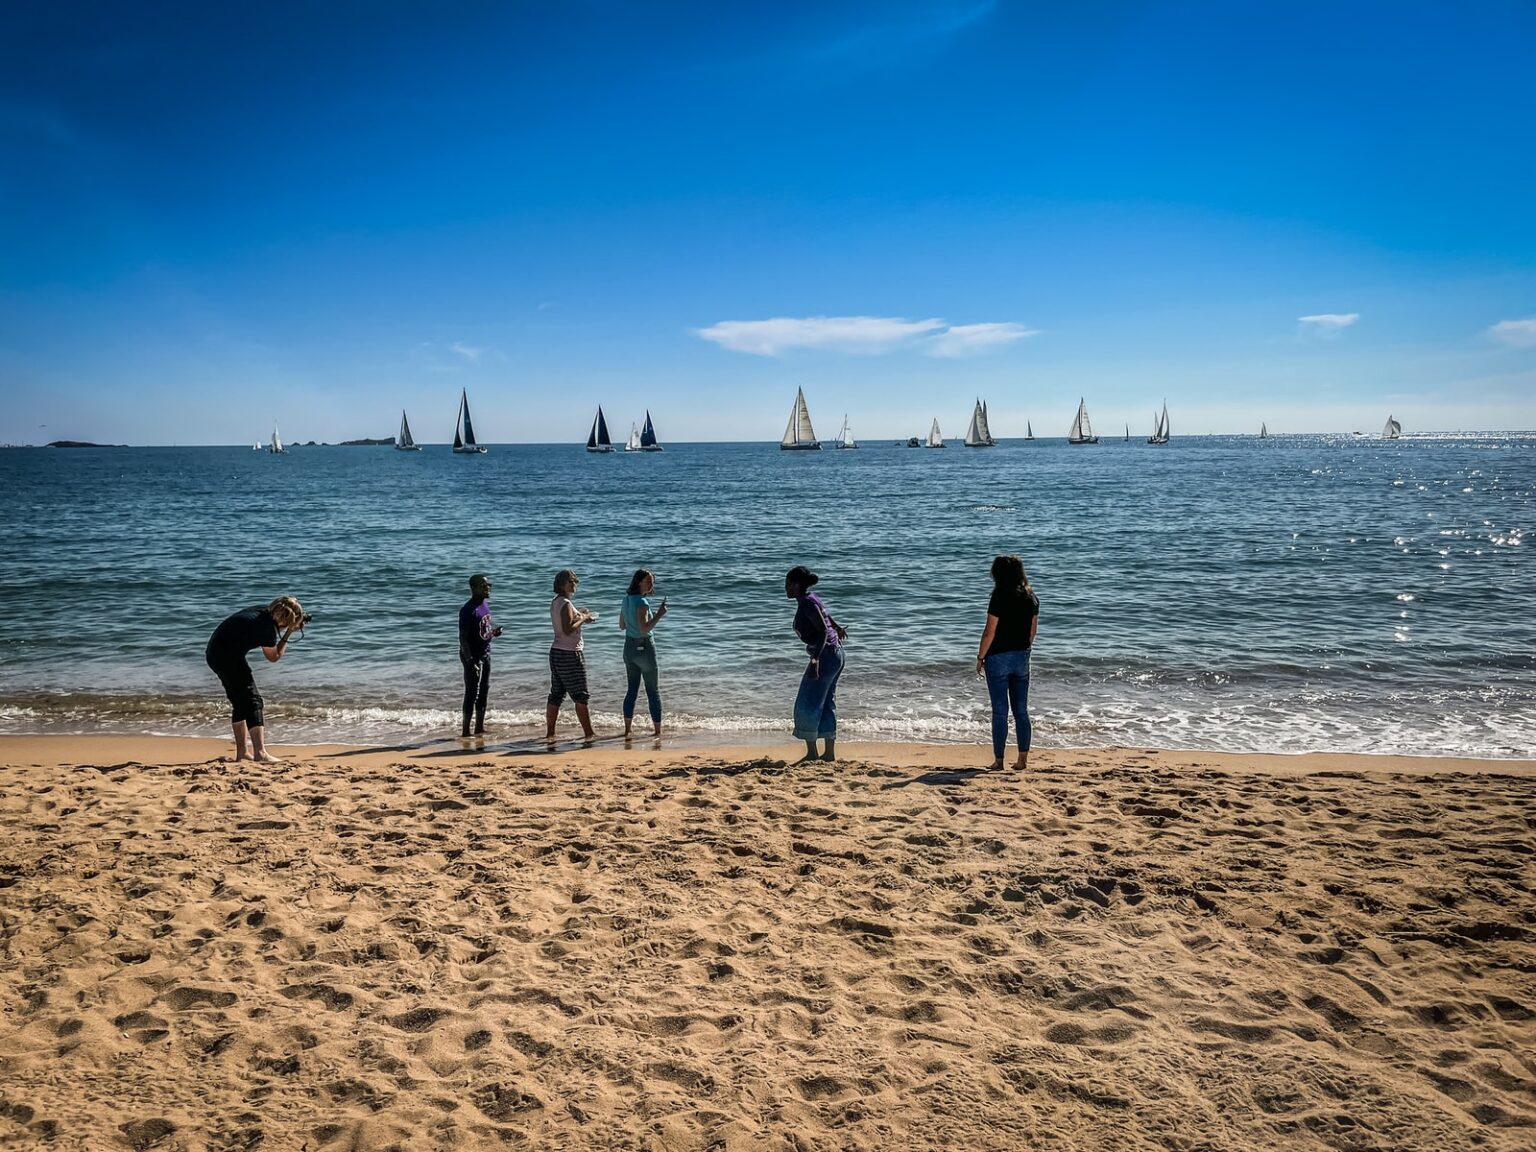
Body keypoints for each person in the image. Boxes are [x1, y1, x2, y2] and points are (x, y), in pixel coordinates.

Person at [204, 596, 307, 763]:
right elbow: (274, 657)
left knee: (240, 702)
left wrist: (287, 626)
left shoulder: (262, 612)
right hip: (226, 656)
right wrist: (289, 631)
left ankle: (242, 753)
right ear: (288, 619)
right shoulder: (266, 629)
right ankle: (260, 753)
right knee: (253, 701)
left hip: (214, 653)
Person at [974, 554, 1040, 770]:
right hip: (1022, 657)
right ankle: (1022, 761)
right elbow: (1032, 632)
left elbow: (989, 632)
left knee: (1000, 711)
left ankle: (999, 761)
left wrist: (980, 657)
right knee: (1021, 710)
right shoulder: (1031, 598)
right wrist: (1022, 649)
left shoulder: (999, 597)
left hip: (998, 659)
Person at [785, 565, 847, 764]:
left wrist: (815, 661)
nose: (785, 588)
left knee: (806, 703)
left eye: (787, 584)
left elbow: (821, 631)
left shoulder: (806, 604)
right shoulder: (812, 598)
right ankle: (828, 754)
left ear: (796, 585)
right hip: (836, 654)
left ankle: (812, 754)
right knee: (827, 702)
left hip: (826, 656)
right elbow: (825, 617)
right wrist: (836, 627)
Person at [546, 569, 597, 742]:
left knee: (556, 694)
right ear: (562, 584)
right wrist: (585, 617)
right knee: (581, 695)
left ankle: (550, 732)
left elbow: (566, 621)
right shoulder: (566, 603)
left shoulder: (556, 602)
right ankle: (589, 733)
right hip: (570, 653)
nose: (574, 584)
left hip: (556, 652)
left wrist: (579, 614)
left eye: (575, 581)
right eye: (571, 582)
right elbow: (568, 629)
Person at [619, 568, 669, 738]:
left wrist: (645, 618)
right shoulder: (642, 602)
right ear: (639, 581)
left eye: (652, 581)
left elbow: (622, 625)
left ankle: (627, 729)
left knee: (631, 690)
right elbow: (644, 629)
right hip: (645, 648)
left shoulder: (626, 600)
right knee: (653, 691)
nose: (651, 584)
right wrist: (659, 615)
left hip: (629, 648)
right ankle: (657, 732)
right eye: (648, 580)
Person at [458, 573, 503, 737]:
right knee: (471, 692)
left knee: (484, 690)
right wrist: (470, 661)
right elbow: (463, 638)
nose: (488, 588)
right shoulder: (467, 610)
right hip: (472, 656)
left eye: (489, 585)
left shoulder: (484, 604)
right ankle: (465, 731)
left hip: (486, 653)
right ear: (473, 588)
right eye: (484, 586)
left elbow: (483, 632)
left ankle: (479, 727)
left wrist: (493, 633)